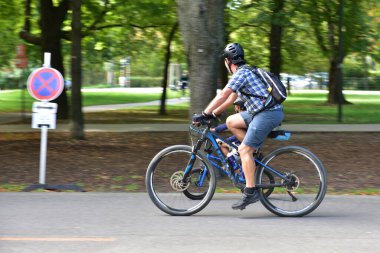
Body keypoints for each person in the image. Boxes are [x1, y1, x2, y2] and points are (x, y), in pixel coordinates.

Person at [192, 42, 284, 210]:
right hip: (261, 111)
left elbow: (224, 94)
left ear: (228, 61)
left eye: (225, 61)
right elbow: (229, 99)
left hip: (268, 113)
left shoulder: (240, 74)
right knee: (231, 121)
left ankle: (250, 191)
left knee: (244, 151)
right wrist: (214, 114)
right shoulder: (245, 72)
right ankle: (252, 151)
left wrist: (204, 114)